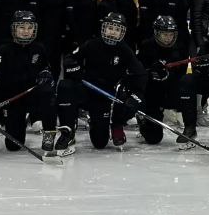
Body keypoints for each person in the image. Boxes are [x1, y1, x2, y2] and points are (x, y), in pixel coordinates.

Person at [61, 13, 147, 149]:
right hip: (90, 89)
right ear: (104, 28)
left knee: (100, 142)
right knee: (65, 86)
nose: (113, 32)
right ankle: (68, 132)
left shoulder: (125, 50)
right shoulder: (91, 44)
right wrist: (75, 70)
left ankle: (117, 124)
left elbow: (140, 74)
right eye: (110, 28)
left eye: (117, 29)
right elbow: (69, 59)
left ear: (122, 32)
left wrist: (134, 98)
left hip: (108, 94)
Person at [0, 11, 55, 152]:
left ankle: (48, 133)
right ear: (14, 28)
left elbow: (45, 68)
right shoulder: (4, 49)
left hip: (32, 94)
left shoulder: (39, 48)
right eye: (22, 27)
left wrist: (45, 74)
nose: (26, 31)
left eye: (30, 28)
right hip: (14, 97)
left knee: (48, 92)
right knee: (13, 146)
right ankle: (17, 122)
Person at [137, 15, 200, 146]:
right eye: (164, 34)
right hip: (152, 93)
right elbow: (139, 73)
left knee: (188, 84)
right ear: (156, 33)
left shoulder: (180, 47)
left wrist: (167, 75)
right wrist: (151, 72)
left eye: (171, 34)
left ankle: (190, 128)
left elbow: (181, 75)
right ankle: (143, 120)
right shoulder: (146, 46)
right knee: (153, 138)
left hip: (171, 90)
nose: (168, 38)